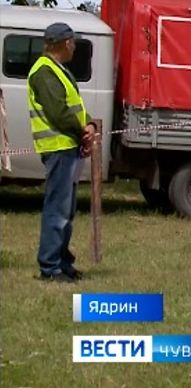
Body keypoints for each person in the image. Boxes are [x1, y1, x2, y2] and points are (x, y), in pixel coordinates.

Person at [27, 22, 95, 282]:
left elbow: (73, 105)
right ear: (66, 43)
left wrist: (87, 123)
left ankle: (63, 262)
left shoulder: (57, 69)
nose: (75, 47)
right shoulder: (44, 72)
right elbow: (58, 112)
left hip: (68, 148)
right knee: (57, 208)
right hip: (58, 148)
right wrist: (82, 131)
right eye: (73, 42)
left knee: (66, 209)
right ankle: (51, 267)